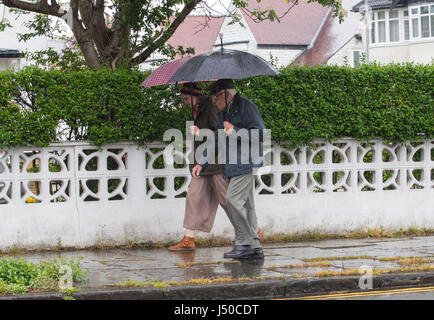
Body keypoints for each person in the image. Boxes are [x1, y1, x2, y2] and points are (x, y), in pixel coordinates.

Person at [191, 79, 265, 260]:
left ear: (226, 94)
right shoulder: (225, 113)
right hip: (232, 164)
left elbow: (260, 134)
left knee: (232, 199)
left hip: (246, 162)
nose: (214, 102)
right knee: (247, 206)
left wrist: (236, 131)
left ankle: (243, 243)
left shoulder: (247, 107)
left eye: (216, 98)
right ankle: (254, 248)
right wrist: (202, 162)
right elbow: (217, 140)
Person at [168, 82, 229, 251]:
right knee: (193, 196)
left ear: (196, 96)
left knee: (227, 201)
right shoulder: (198, 109)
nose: (186, 102)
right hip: (201, 165)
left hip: (216, 163)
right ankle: (189, 239)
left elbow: (220, 134)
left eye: (187, 98)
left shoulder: (210, 107)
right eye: (184, 99)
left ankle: (253, 230)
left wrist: (199, 132)